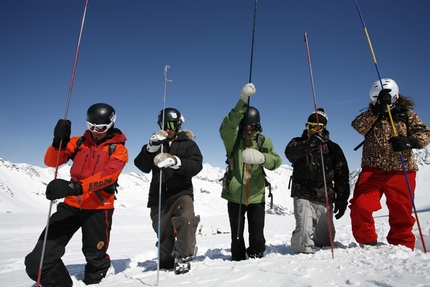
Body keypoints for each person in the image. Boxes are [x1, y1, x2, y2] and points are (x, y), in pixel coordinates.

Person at [25, 103, 128, 286]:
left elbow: (108, 177)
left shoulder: (118, 149)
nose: (95, 131)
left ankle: (97, 281)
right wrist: (57, 143)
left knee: (95, 257)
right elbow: (51, 162)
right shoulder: (79, 142)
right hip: (71, 205)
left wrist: (75, 187)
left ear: (111, 124)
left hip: (98, 207)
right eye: (91, 126)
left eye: (101, 128)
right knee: (38, 261)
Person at [350, 78, 430, 250]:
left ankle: (402, 246)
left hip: (402, 169)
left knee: (402, 211)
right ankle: (367, 242)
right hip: (373, 169)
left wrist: (410, 142)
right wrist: (376, 111)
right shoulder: (371, 116)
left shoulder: (407, 115)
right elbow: (357, 126)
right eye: (376, 99)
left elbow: (424, 132)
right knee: (360, 205)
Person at [134, 107, 202, 274]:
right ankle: (167, 257)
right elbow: (141, 166)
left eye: (172, 124)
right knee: (163, 233)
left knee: (185, 218)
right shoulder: (156, 144)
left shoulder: (189, 145)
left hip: (181, 192)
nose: (168, 128)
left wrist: (176, 162)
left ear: (178, 125)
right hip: (159, 195)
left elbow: (196, 165)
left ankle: (184, 257)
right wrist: (150, 148)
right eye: (164, 124)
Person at [219, 83, 282, 261]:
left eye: (251, 127)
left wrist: (263, 159)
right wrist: (242, 102)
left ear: (258, 126)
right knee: (236, 234)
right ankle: (237, 259)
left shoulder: (263, 141)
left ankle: (257, 257)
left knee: (257, 233)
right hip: (235, 194)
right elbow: (226, 127)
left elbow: (276, 161)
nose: (247, 130)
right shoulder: (233, 141)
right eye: (244, 127)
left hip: (256, 194)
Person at [285, 108, 350, 254]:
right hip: (303, 192)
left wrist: (342, 198)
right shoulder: (297, 143)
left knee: (326, 241)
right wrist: (309, 145)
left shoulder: (333, 149)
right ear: (306, 126)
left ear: (324, 128)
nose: (313, 130)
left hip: (324, 194)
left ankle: (313, 234)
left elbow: (342, 175)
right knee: (303, 240)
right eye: (310, 126)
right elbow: (290, 154)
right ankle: (301, 238)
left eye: (318, 127)